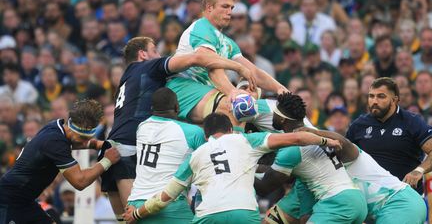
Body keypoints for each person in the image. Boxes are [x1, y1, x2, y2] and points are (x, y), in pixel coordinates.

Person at [100, 36, 255, 220]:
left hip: (112, 148)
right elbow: (196, 58)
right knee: (134, 219)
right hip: (129, 150)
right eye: (155, 50)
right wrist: (238, 67)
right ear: (143, 54)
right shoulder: (150, 66)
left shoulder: (126, 78)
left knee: (123, 220)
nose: (159, 55)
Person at [123, 111, 341, 224]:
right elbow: (295, 139)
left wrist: (138, 215)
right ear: (230, 130)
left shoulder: (196, 156)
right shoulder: (246, 140)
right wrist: (324, 141)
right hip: (243, 213)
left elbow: (165, 197)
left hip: (208, 214)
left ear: (206, 136)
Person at [168, 0, 287, 125]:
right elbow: (212, 65)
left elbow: (253, 71)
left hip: (205, 91)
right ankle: (236, 143)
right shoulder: (201, 27)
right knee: (236, 106)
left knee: (256, 101)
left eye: (231, 8)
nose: (229, 12)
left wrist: (281, 89)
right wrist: (233, 91)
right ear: (209, 7)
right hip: (184, 88)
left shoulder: (228, 42)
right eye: (225, 6)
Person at [0, 99, 120, 224]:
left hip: (23, 200)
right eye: (82, 138)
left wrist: (103, 144)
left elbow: (77, 141)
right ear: (71, 129)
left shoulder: (57, 127)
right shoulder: (56, 142)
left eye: (88, 139)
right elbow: (80, 181)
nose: (85, 143)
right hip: (8, 201)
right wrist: (107, 161)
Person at [255, 93, 367, 224]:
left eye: (274, 112)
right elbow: (287, 173)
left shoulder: (292, 149)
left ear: (282, 119)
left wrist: (240, 168)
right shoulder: (316, 135)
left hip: (337, 203)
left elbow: (264, 188)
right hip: (355, 199)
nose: (271, 115)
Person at [288, 126, 427, 224]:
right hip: (390, 210)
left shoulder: (349, 155)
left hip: (399, 203)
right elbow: (306, 218)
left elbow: (343, 142)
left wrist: (315, 132)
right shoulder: (314, 180)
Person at [127, 87, 206, 224]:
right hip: (170, 204)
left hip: (136, 202)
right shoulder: (193, 132)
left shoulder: (142, 127)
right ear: (177, 107)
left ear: (152, 108)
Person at [346, 77, 432, 194]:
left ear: (394, 100)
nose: (374, 101)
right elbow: (344, 157)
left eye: (381, 96)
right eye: (371, 96)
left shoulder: (412, 121)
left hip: (405, 195)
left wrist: (418, 170)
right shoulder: (358, 125)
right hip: (370, 198)